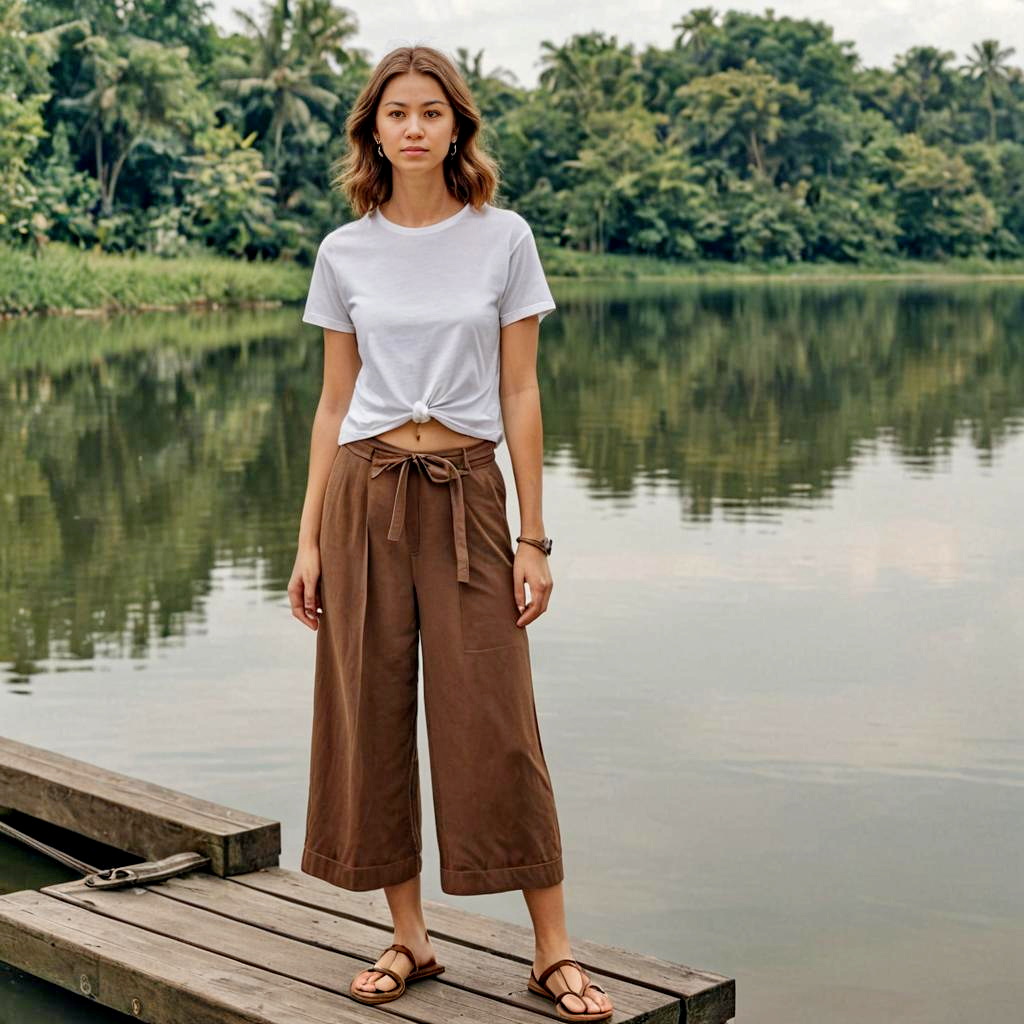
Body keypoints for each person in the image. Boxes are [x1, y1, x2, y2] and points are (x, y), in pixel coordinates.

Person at [287, 44, 614, 1022]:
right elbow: (331, 400)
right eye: (398, 113)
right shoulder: (344, 252)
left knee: (496, 720)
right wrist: (305, 543)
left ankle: (552, 952)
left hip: (469, 494)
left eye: (433, 111)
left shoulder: (502, 238)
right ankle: (409, 938)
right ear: (373, 131)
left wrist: (536, 536)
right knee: (371, 713)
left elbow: (520, 390)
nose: (416, 127)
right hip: (365, 490)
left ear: (457, 127)